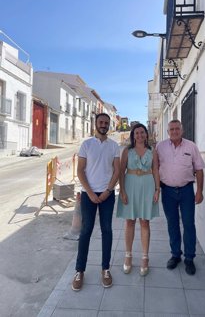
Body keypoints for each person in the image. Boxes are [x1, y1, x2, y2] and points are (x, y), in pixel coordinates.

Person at [72, 113, 120, 291]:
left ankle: (105, 269)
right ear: (95, 124)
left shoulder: (114, 146)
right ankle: (79, 271)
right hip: (88, 195)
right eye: (101, 122)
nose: (104, 125)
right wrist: (91, 193)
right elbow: (80, 171)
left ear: (109, 126)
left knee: (107, 230)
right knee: (86, 231)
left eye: (106, 123)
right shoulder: (86, 144)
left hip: (107, 195)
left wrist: (108, 190)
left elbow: (116, 171)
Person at [156, 120, 205, 275]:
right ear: (168, 131)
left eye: (177, 129)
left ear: (182, 130)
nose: (174, 131)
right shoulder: (160, 147)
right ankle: (175, 255)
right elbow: (155, 169)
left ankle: (189, 258)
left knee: (189, 224)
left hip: (186, 190)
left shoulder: (191, 146)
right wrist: (156, 189)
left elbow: (199, 170)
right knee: (172, 224)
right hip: (168, 191)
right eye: (172, 129)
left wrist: (200, 191)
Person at [116, 123, 160, 276]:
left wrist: (157, 189)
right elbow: (121, 171)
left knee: (144, 221)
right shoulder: (127, 151)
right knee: (129, 221)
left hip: (147, 186)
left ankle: (145, 257)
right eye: (136, 133)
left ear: (146, 134)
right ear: (133, 136)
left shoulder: (152, 151)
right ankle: (128, 255)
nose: (139, 135)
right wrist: (122, 191)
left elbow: (155, 170)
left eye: (142, 132)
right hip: (130, 185)